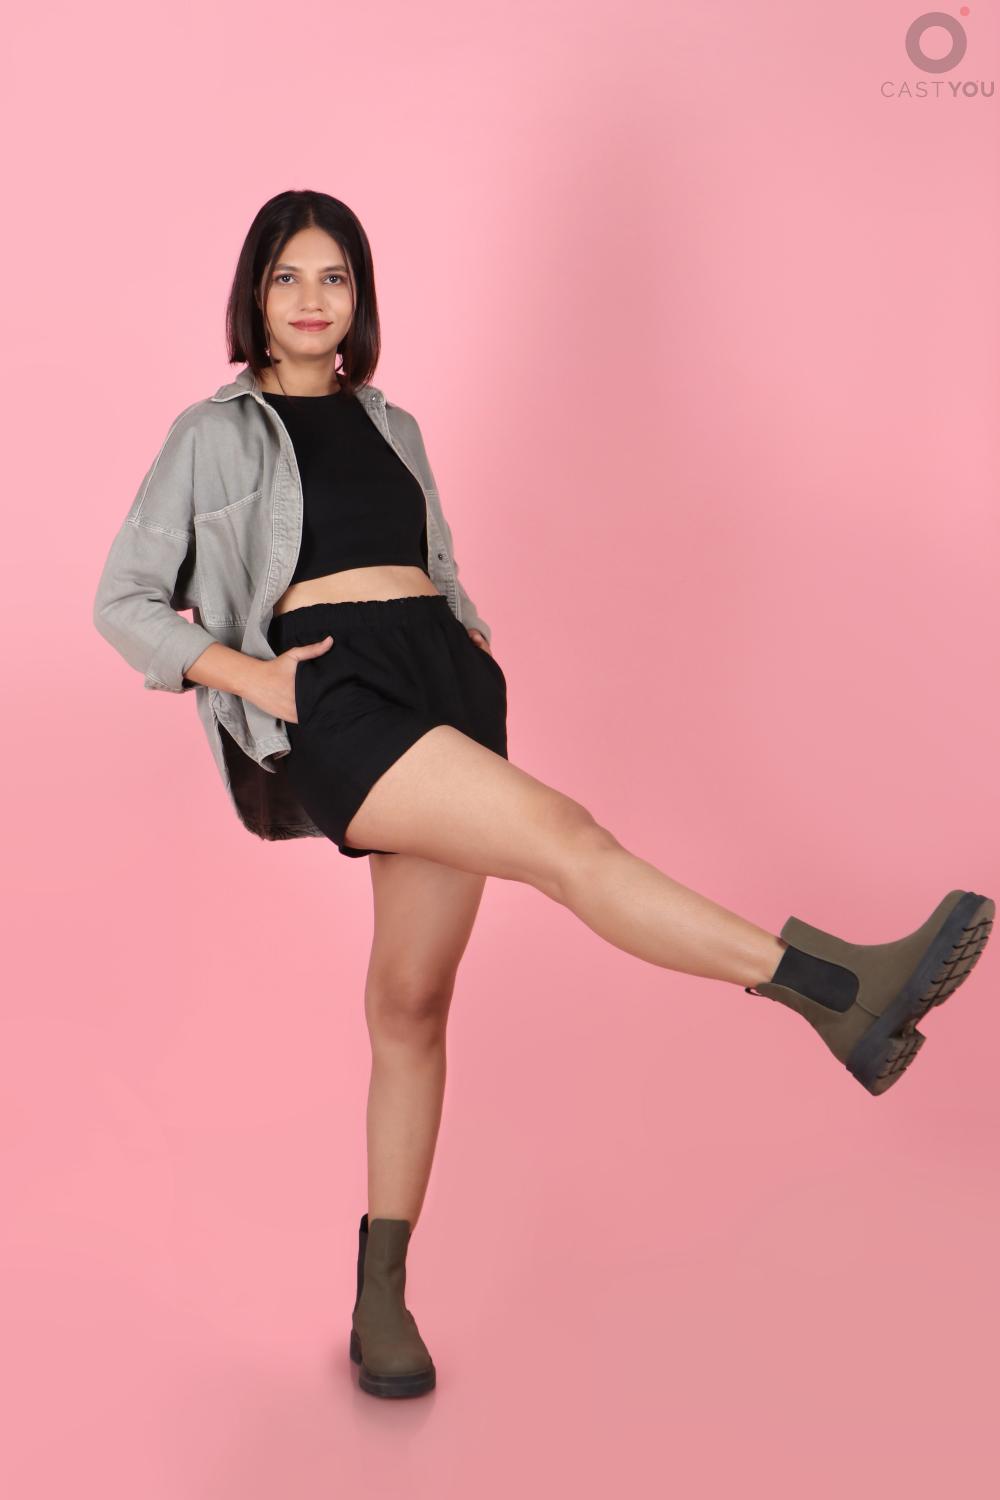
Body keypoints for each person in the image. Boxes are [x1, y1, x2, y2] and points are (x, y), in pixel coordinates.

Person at [93, 189, 994, 1400]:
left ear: (360, 297)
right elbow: (123, 600)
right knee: (570, 840)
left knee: (411, 1002)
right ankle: (833, 989)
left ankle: (379, 1297)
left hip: (442, 679)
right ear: (255, 293)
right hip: (337, 692)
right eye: (289, 277)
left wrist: (469, 645)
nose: (312, 300)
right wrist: (256, 678)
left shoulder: (393, 422)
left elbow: (431, 561)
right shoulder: (213, 434)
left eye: (335, 278)